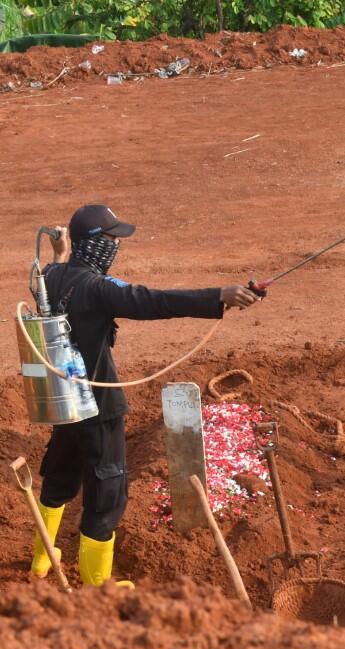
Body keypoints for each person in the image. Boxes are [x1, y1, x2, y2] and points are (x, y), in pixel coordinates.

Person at [29, 204, 260, 587]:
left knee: (59, 477)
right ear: (93, 245)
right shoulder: (99, 289)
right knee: (106, 494)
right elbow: (155, 301)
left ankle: (41, 562)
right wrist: (219, 295)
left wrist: (60, 254)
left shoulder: (51, 276)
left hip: (64, 400)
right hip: (99, 410)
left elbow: (54, 281)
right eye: (111, 239)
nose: (117, 245)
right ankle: (97, 586)